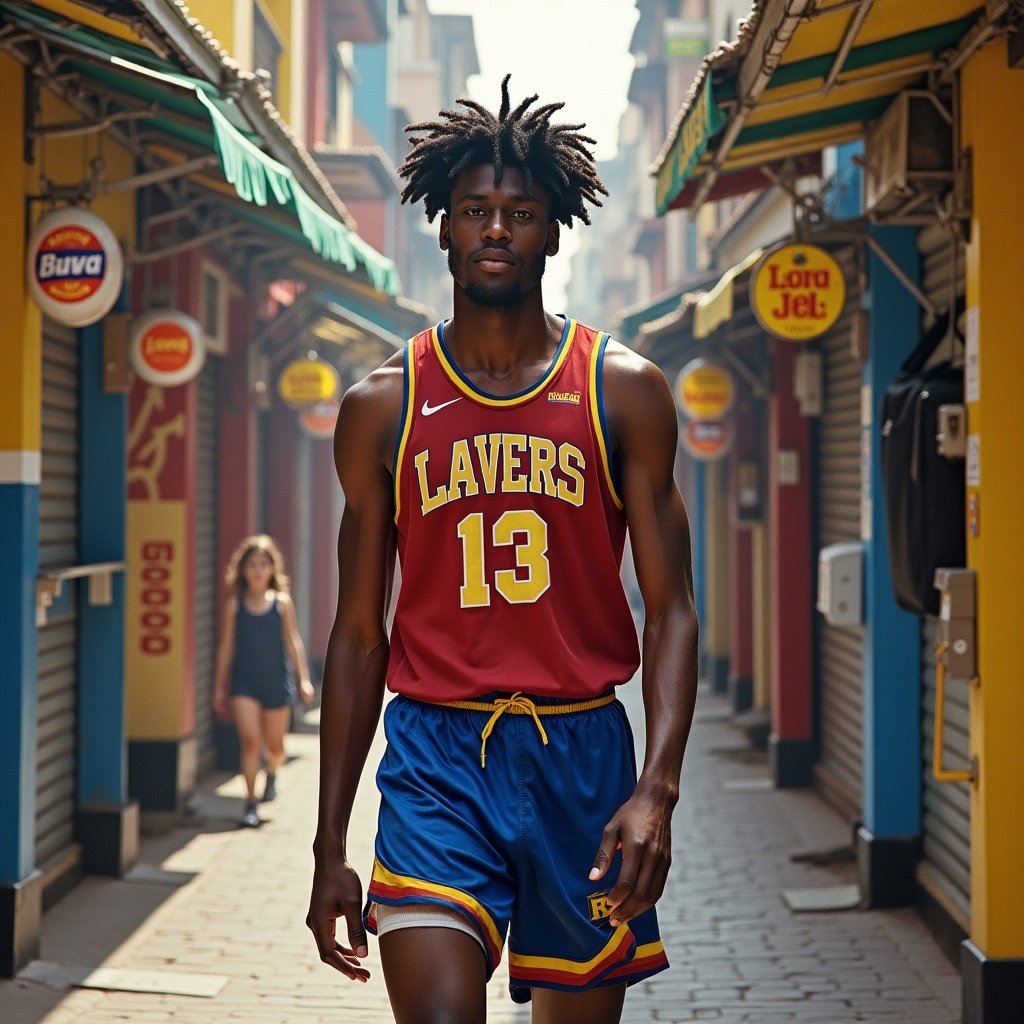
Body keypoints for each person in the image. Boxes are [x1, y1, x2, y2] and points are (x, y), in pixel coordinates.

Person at [307, 76, 699, 1024]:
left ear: (555, 231)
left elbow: (673, 605)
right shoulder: (381, 406)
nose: (495, 229)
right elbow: (359, 633)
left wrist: (659, 787)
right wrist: (328, 847)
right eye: (475, 211)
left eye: (519, 213)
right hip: (438, 757)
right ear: (440, 226)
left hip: (583, 754)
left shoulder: (624, 391)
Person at [214, 534, 314, 828]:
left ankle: (272, 773)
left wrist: (303, 680)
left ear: (272, 569)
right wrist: (219, 685)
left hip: (276, 682)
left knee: (276, 747)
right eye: (252, 565)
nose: (257, 570)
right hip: (244, 682)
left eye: (263, 564)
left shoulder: (282, 603)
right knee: (250, 742)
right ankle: (249, 804)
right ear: (243, 570)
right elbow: (226, 646)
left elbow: (293, 642)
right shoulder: (235, 606)